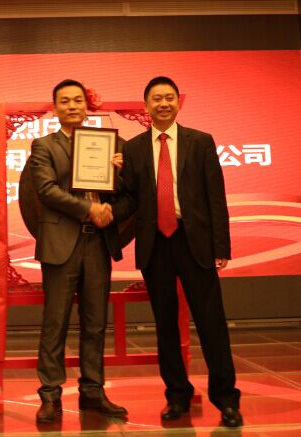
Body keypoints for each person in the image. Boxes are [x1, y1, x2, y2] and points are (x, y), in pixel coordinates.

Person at [111, 76, 243, 427]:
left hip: (194, 241)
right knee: (166, 325)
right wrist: (110, 184)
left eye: (169, 97)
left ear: (178, 103)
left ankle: (226, 400)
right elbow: (130, 200)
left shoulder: (200, 142)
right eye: (156, 98)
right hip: (156, 244)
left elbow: (216, 196)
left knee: (212, 323)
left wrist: (221, 246)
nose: (163, 103)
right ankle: (177, 396)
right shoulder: (134, 149)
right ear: (146, 106)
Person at [28, 79, 127, 424]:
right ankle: (50, 395)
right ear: (55, 108)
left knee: (95, 322)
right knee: (55, 322)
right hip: (62, 243)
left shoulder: (108, 144)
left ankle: (93, 392)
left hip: (98, 243)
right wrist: (89, 209)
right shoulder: (44, 145)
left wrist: (120, 172)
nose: (72, 106)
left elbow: (125, 192)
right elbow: (46, 190)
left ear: (87, 106)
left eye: (78, 101)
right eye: (65, 101)